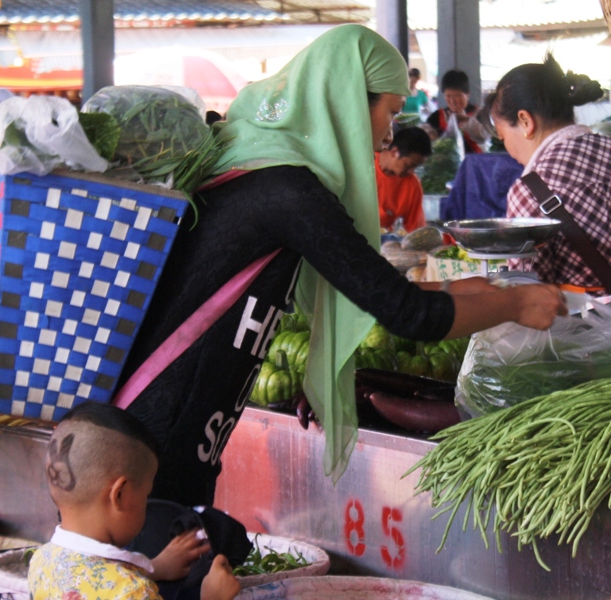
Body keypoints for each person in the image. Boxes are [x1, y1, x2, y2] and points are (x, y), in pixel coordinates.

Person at [118, 25, 566, 510]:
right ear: (350, 101)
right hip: (159, 432)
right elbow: (407, 314)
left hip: (167, 422)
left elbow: (367, 283)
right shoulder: (289, 189)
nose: (387, 136)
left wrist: (475, 291)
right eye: (390, 112)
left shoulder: (251, 162)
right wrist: (517, 302)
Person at [28, 401, 241, 600]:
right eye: (146, 494)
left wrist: (155, 568)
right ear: (119, 495)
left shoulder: (40, 561)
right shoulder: (135, 591)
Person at [484, 54, 610, 291]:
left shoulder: (531, 191)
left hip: (589, 325)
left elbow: (529, 290)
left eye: (503, 138)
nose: (509, 150)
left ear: (525, 122)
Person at [375, 126, 432, 232]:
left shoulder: (412, 185)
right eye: (409, 165)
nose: (411, 171)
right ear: (394, 152)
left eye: (415, 167)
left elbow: (415, 232)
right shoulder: (364, 165)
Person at [425, 69, 488, 153]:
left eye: (457, 96)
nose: (452, 100)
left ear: (468, 94)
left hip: (475, 162)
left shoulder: (479, 114)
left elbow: (483, 137)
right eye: (448, 96)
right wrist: (431, 135)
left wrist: (465, 120)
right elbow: (424, 130)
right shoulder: (437, 116)